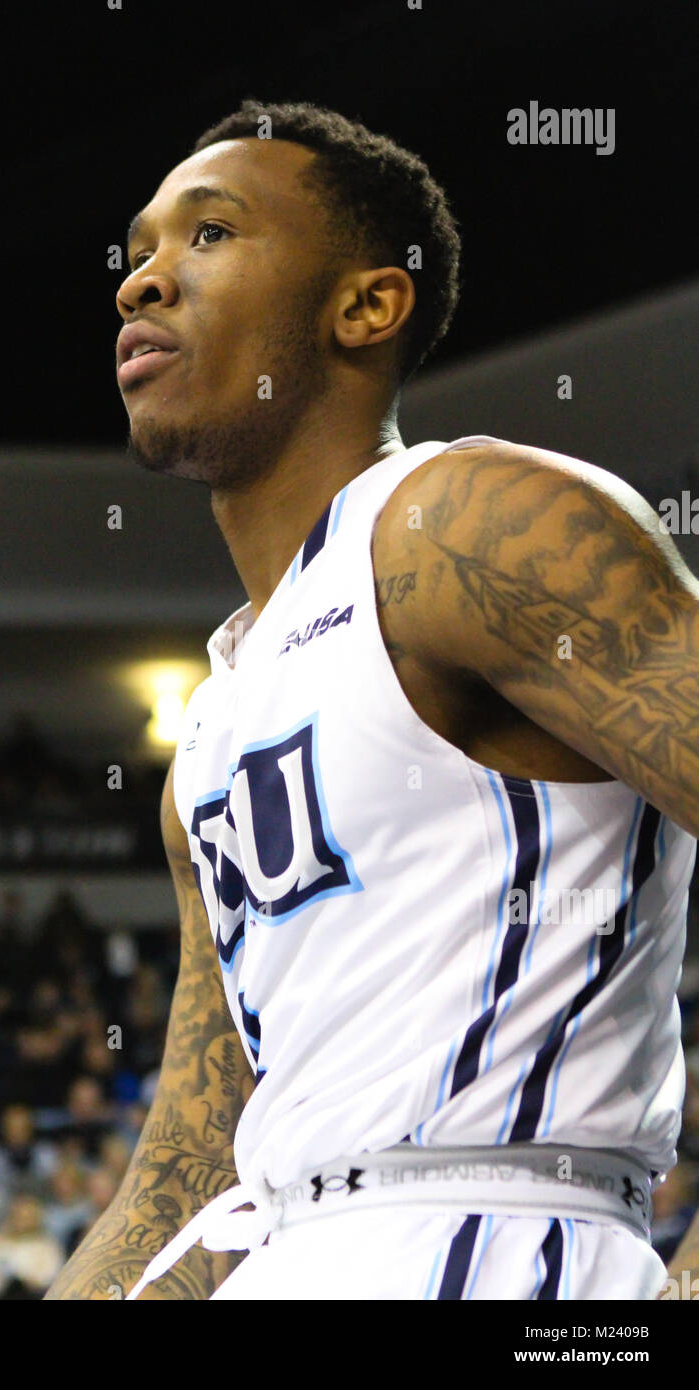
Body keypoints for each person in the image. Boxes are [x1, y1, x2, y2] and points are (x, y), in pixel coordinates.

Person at [47, 99, 699, 1300]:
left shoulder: (470, 524)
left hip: (502, 1232)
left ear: (365, 304)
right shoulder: (212, 722)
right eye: (137, 250)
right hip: (286, 1250)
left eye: (207, 234)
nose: (141, 282)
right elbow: (192, 1169)